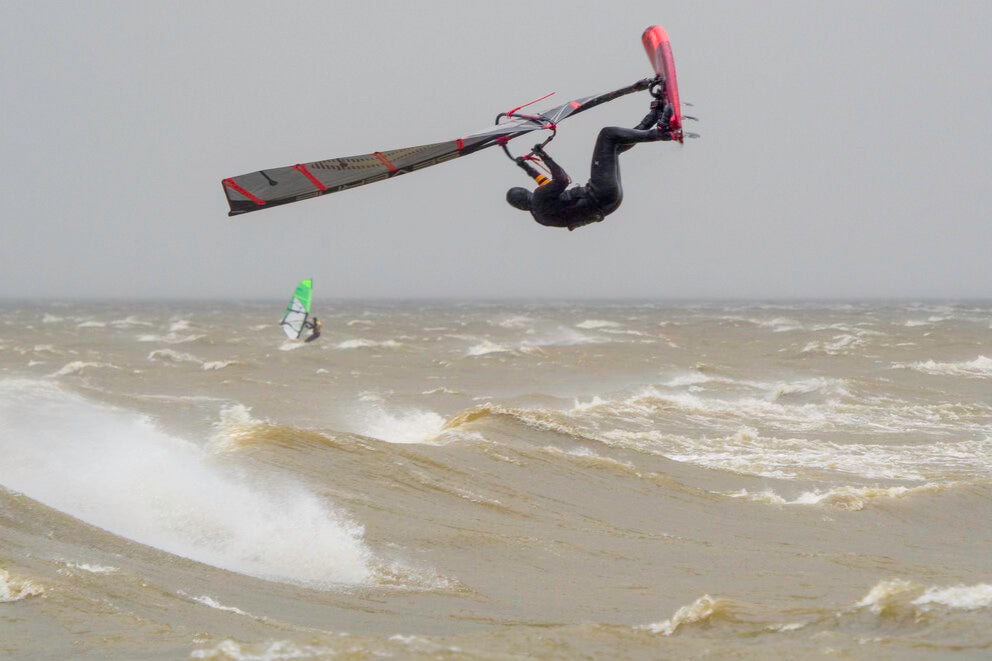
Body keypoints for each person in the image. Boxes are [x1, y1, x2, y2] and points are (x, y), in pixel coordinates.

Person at [506, 102, 674, 231]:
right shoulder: (539, 199)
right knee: (607, 135)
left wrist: (526, 167)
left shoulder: (540, 215)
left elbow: (544, 185)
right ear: (525, 194)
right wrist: (544, 156)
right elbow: (562, 180)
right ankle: (660, 132)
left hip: (610, 203)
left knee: (614, 148)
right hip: (599, 193)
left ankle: (654, 116)